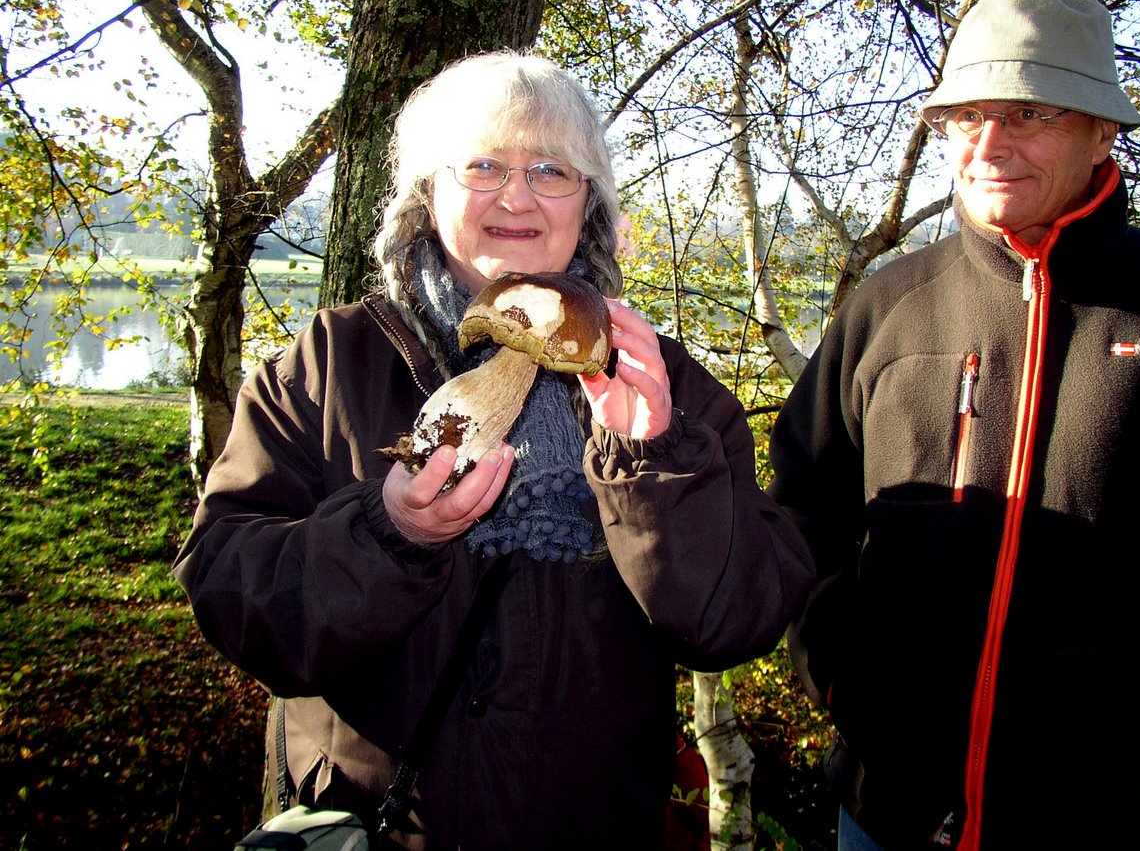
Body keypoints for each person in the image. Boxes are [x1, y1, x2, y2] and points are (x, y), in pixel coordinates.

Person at [175, 50, 815, 850]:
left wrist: (653, 459)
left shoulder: (665, 382)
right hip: (379, 826)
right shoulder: (328, 364)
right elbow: (233, 597)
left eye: (552, 170)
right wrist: (386, 534)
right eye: (482, 165)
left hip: (590, 829)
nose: (517, 196)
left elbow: (734, 621)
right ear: (427, 194)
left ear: (589, 202)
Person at [768, 0, 1140, 851]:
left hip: (1095, 816)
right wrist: (844, 672)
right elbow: (800, 508)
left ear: (1102, 132)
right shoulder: (888, 302)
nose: (990, 144)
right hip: (883, 813)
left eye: (1030, 113)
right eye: (967, 116)